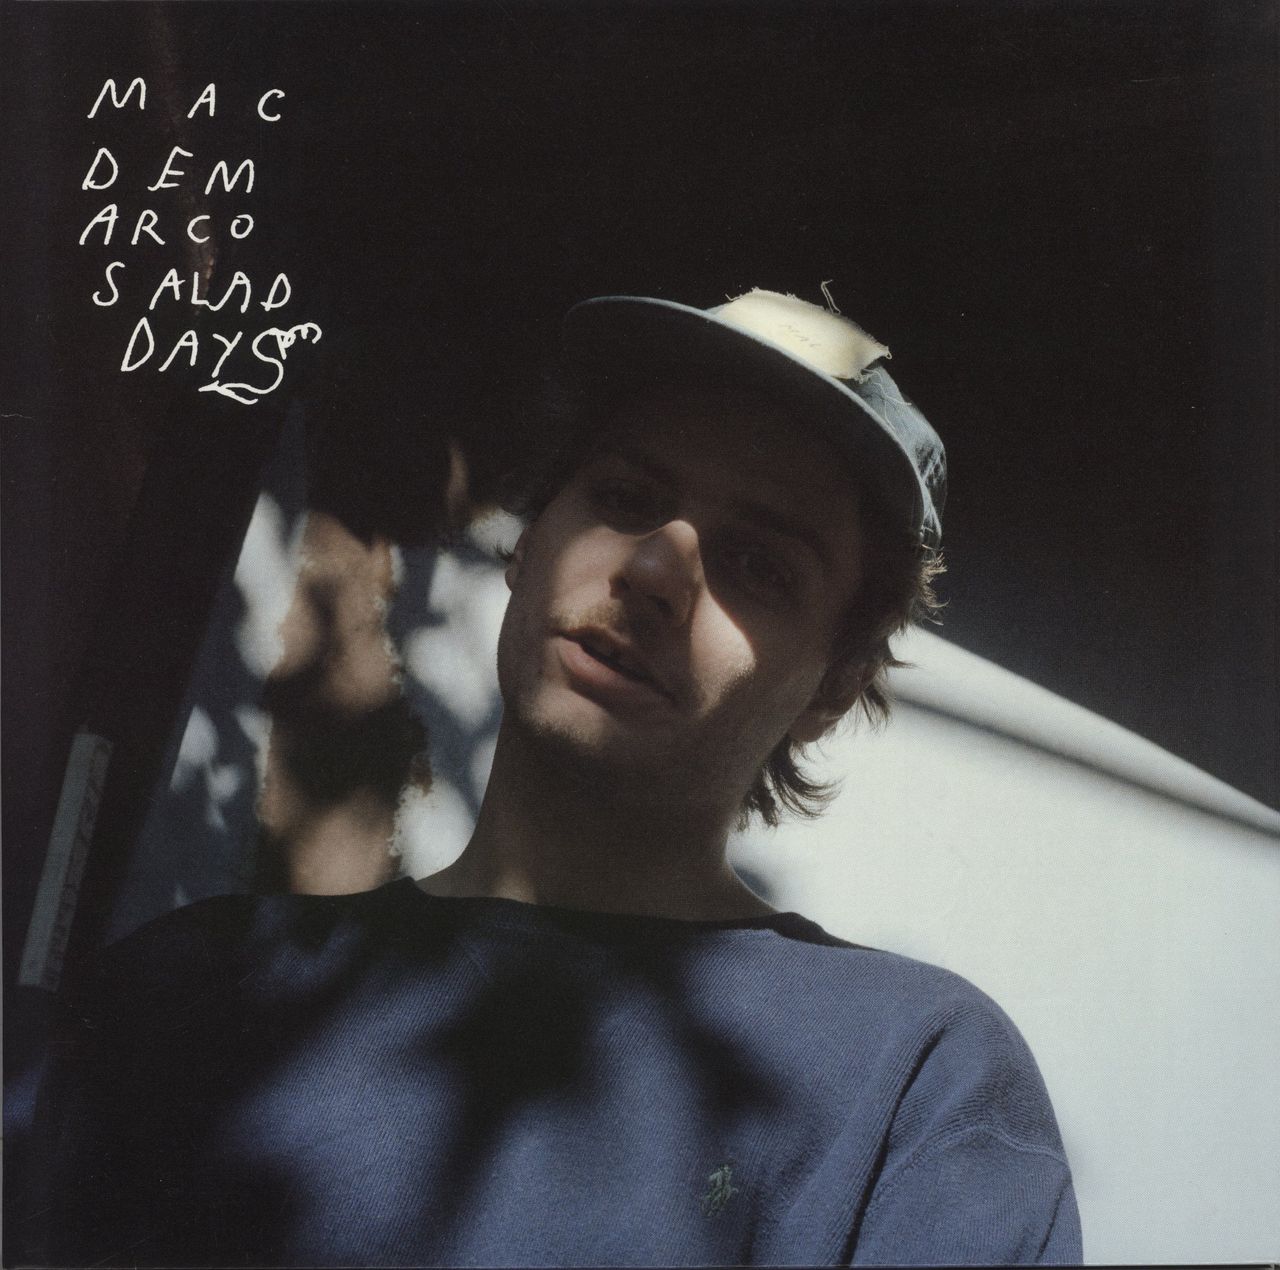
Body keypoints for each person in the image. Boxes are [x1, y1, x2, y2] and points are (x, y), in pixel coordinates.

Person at [39, 288, 1082, 1266]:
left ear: (831, 688)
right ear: (530, 538)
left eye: (758, 564)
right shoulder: (192, 994)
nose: (655, 569)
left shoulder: (918, 1078)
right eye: (624, 498)